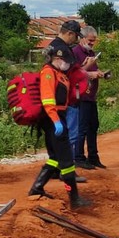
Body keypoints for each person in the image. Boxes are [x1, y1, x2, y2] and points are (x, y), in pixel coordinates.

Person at [27, 43, 93, 210]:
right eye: (65, 60)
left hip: (59, 116)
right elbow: (48, 99)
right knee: (66, 160)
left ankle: (37, 188)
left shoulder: (60, 74)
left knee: (55, 158)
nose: (68, 64)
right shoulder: (48, 73)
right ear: (56, 58)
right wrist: (56, 121)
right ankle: (75, 199)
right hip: (53, 118)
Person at [71, 25, 106, 169]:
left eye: (94, 41)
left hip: (91, 96)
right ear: (82, 38)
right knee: (82, 128)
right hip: (81, 96)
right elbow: (74, 74)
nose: (92, 43)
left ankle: (93, 156)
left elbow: (92, 70)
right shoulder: (75, 53)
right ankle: (79, 157)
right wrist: (89, 73)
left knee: (93, 126)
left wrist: (100, 73)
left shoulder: (90, 53)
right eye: (90, 40)